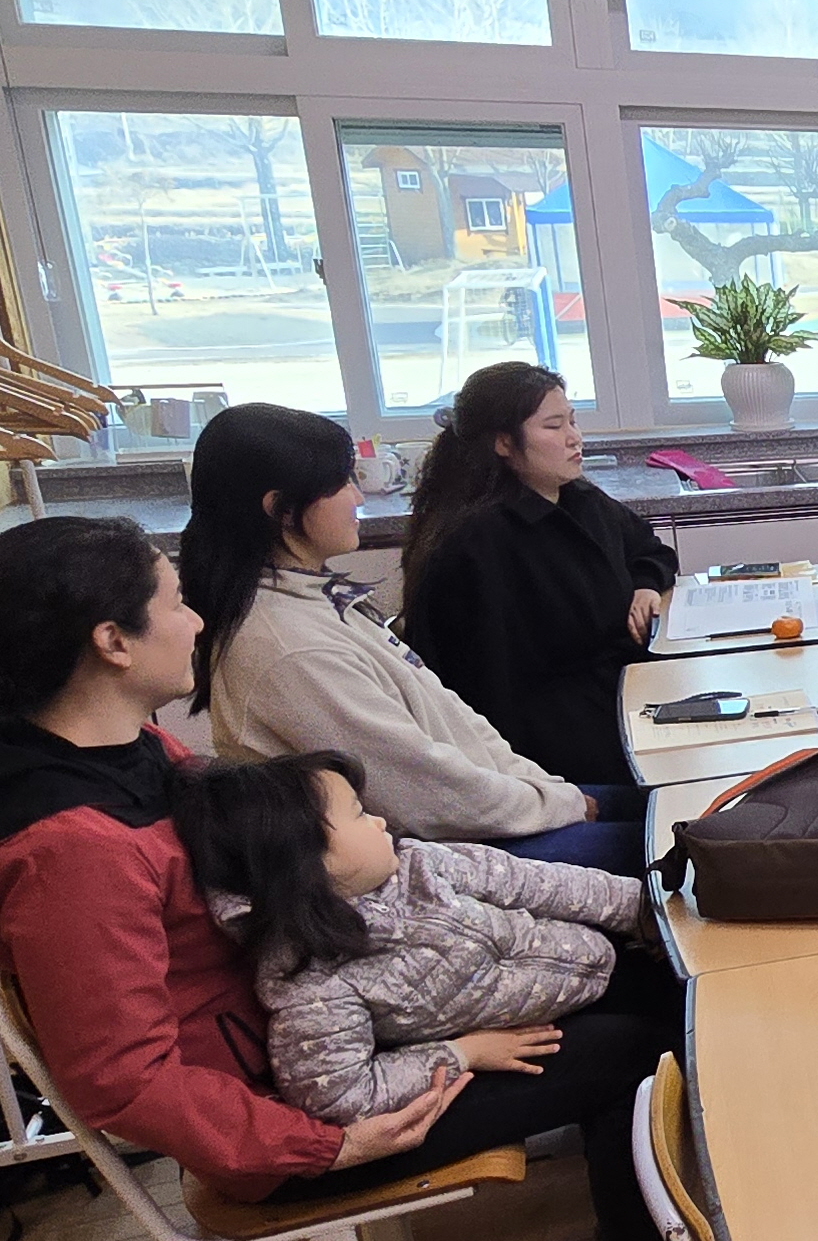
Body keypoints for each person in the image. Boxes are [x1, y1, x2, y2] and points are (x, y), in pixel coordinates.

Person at [0, 517, 705, 1241]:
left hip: (348, 1023)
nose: (194, 623)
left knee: (644, 976)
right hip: (312, 1106)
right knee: (642, 1042)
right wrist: (319, 1146)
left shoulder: (134, 750)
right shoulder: (72, 848)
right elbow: (123, 1080)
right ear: (112, 641)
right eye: (175, 604)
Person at [177, 402, 645, 875]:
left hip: (478, 818)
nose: (358, 498)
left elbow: (455, 722)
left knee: (669, 801)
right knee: (676, 842)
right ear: (279, 509)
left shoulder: (311, 599)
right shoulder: (290, 647)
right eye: (341, 484)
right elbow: (419, 790)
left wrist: (548, 792)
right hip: (433, 859)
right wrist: (560, 805)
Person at [174, 750, 648, 1127]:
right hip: (541, 1017)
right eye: (359, 815)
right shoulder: (312, 984)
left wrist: (642, 911)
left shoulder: (417, 864)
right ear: (301, 863)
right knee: (650, 1048)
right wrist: (463, 1053)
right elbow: (340, 1094)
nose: (379, 822)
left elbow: (535, 883)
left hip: (593, 959)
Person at [400, 363, 676, 791]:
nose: (574, 438)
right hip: (559, 750)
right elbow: (488, 695)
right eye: (553, 426)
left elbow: (650, 549)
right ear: (504, 443)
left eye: (573, 420)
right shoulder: (478, 541)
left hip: (624, 699)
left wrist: (644, 584)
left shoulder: (577, 496)